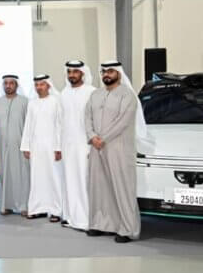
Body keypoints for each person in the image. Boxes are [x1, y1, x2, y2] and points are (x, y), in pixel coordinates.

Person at [85, 61, 143, 243]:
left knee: (122, 188)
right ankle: (101, 224)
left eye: (110, 71)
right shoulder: (95, 94)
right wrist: (92, 136)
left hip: (118, 148)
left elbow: (124, 121)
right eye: (103, 71)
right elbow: (87, 117)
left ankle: (127, 229)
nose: (106, 75)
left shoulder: (128, 95)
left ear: (118, 73)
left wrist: (103, 138)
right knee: (98, 187)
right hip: (96, 147)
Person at [20, 74, 64, 222]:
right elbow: (28, 125)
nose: (39, 87)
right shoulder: (32, 103)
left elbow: (59, 125)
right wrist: (26, 146)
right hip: (36, 147)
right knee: (37, 178)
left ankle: (56, 210)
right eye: (37, 85)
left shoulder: (56, 101)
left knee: (54, 178)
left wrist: (58, 147)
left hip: (52, 147)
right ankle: (37, 209)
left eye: (42, 84)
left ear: (48, 85)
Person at [60, 60, 97, 230]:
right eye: (69, 72)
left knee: (84, 180)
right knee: (69, 180)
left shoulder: (91, 92)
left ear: (83, 73)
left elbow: (96, 120)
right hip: (67, 145)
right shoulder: (64, 93)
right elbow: (60, 122)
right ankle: (70, 217)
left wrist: (92, 144)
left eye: (75, 72)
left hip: (85, 144)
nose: (72, 75)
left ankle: (87, 220)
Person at [0, 74, 30, 216]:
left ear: (16, 85)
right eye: (6, 83)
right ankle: (6, 205)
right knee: (4, 174)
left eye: (11, 83)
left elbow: (29, 125)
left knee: (22, 175)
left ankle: (24, 206)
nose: (8, 86)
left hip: (20, 146)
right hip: (2, 146)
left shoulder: (25, 102)